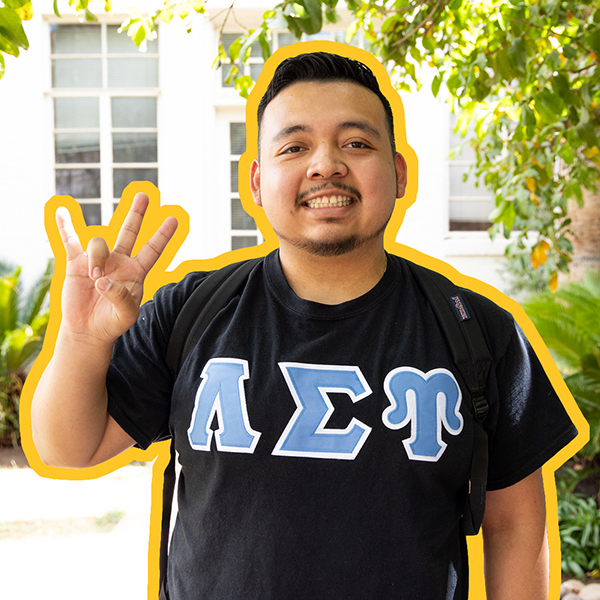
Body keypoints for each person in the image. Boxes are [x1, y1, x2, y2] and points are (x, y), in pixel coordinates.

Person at [31, 49, 578, 599]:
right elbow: (68, 447)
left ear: (400, 172)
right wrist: (82, 341)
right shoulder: (190, 313)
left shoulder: (476, 331)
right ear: (255, 181)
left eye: (357, 143)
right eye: (295, 147)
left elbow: (514, 525)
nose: (326, 165)